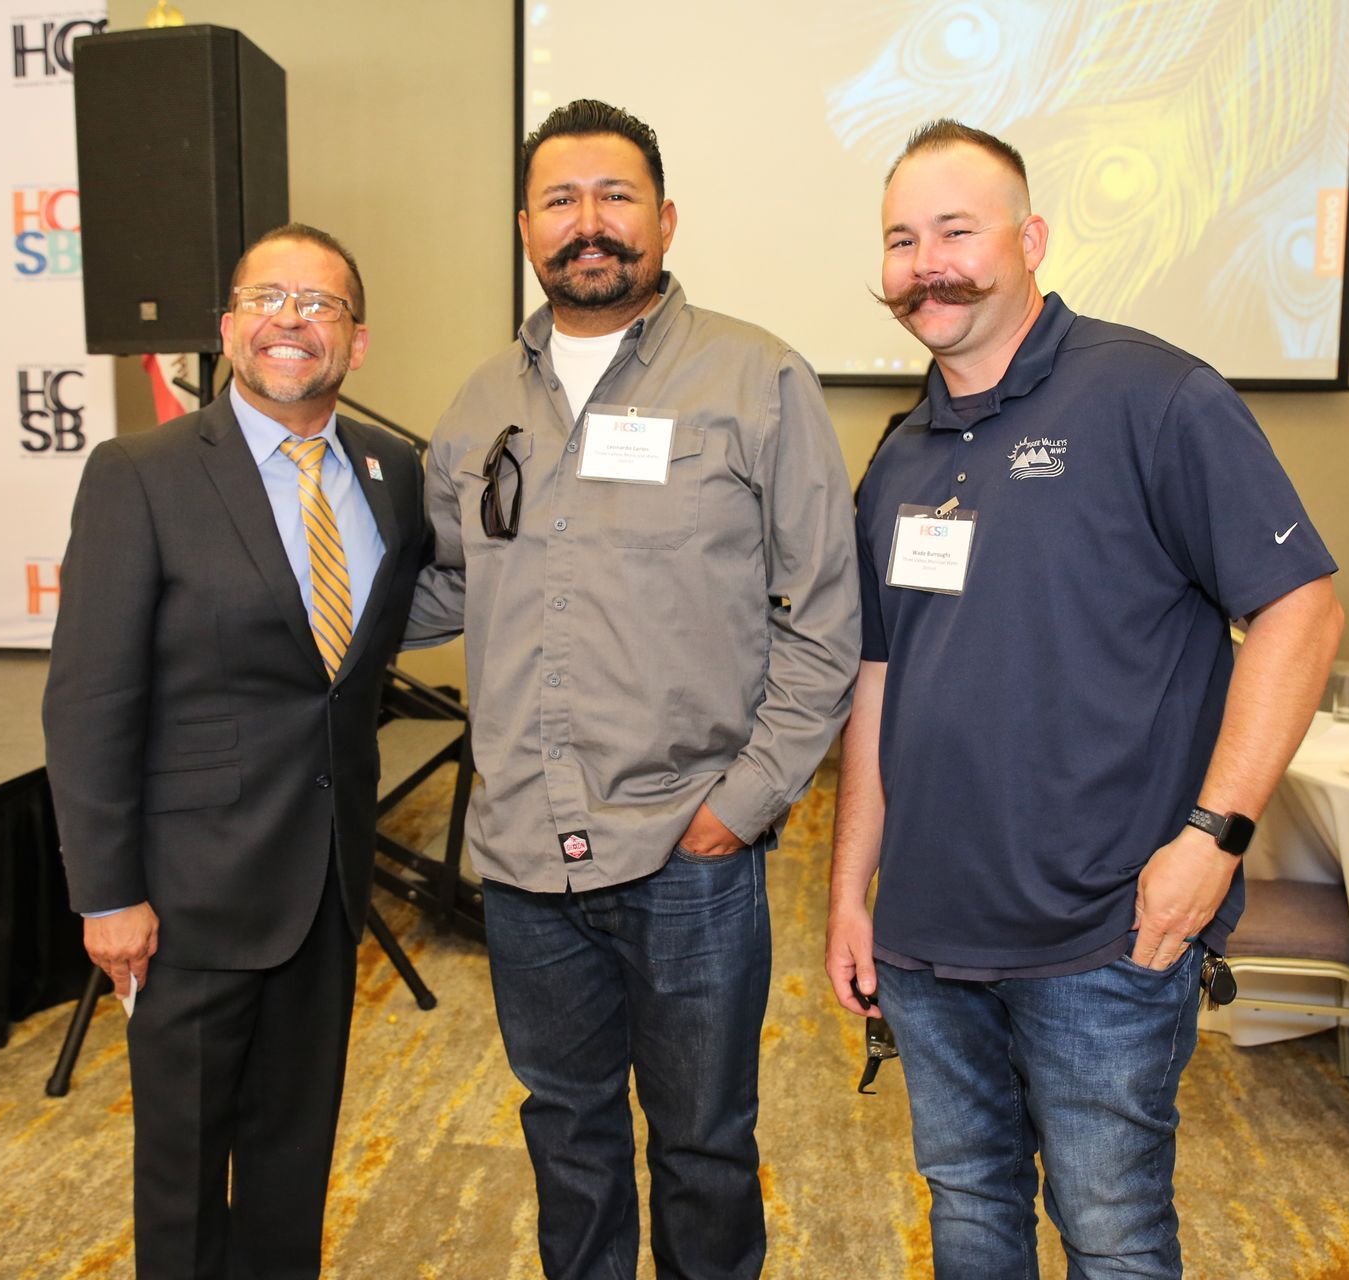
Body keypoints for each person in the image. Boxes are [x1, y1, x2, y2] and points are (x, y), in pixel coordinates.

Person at [825, 120, 1344, 1278]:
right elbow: (880, 679)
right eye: (903, 240)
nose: (928, 263)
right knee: (967, 1210)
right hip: (926, 938)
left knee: (1110, 1235)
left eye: (957, 230)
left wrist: (1213, 839)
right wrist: (851, 886)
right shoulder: (901, 455)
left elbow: (1302, 610)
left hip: (1105, 935)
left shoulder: (1154, 397)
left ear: (1034, 239)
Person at [407, 100, 860, 1279]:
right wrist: (269, 594)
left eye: (616, 197)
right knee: (567, 1138)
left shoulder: (757, 379)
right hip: (521, 856)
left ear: (664, 219)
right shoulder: (478, 403)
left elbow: (824, 613)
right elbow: (447, 590)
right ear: (524, 227)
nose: (589, 224)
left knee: (706, 1146)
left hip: (686, 852)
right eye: (561, 200)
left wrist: (743, 804)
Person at [43, 223, 430, 1279]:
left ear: (358, 338)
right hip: (188, 897)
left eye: (320, 304)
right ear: (227, 328)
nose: (291, 321)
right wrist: (106, 890)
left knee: (291, 1162)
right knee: (181, 1176)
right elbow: (89, 696)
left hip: (328, 880)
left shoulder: (393, 472)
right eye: (269, 299)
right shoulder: (142, 473)